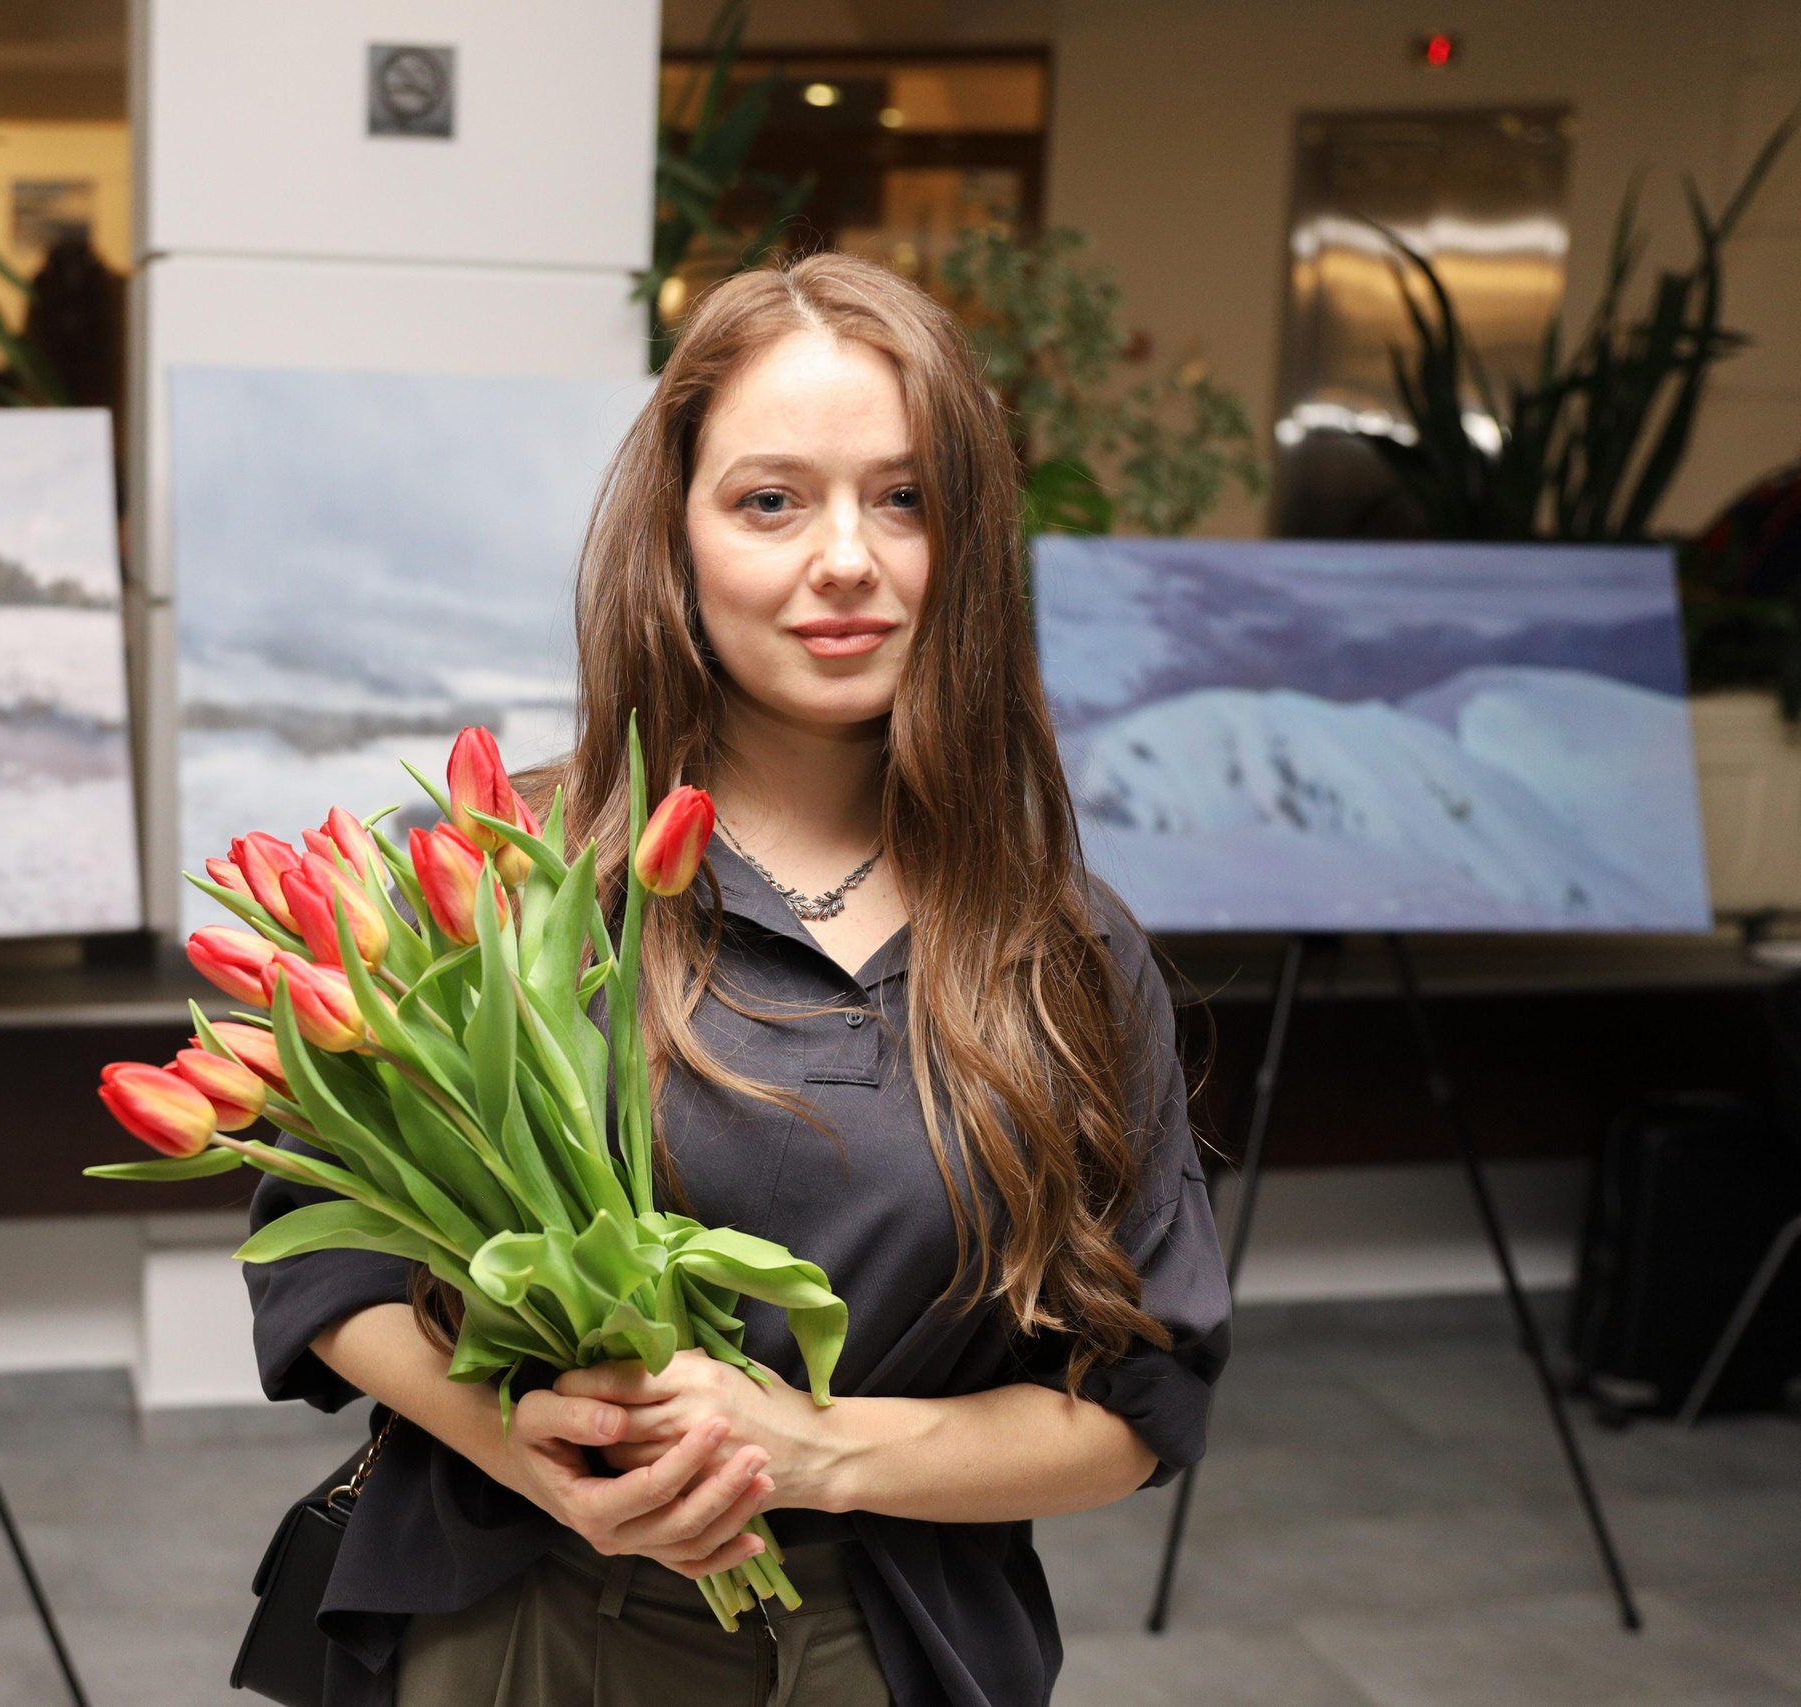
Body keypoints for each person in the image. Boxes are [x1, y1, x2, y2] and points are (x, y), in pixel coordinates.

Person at [244, 252, 1232, 1707]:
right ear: (678, 537)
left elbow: (1138, 1403)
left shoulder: (1062, 949)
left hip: (886, 1639)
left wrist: (817, 1448)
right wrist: (523, 1442)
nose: (849, 558)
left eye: (905, 498)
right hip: (520, 1617)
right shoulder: (496, 873)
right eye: (772, 499)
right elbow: (317, 1258)